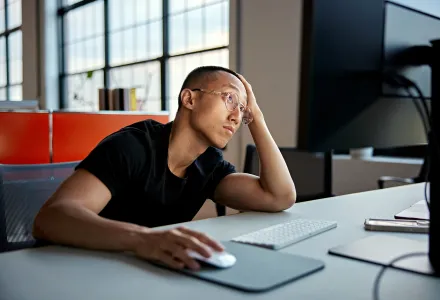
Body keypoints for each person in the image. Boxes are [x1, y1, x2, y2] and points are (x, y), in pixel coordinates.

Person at [33, 66, 296, 271]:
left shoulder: (209, 166)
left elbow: (279, 196)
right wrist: (144, 239)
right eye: (229, 98)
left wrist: (257, 119)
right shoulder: (133, 146)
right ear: (189, 99)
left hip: (134, 270)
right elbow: (51, 218)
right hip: (72, 268)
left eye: (242, 109)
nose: (237, 116)